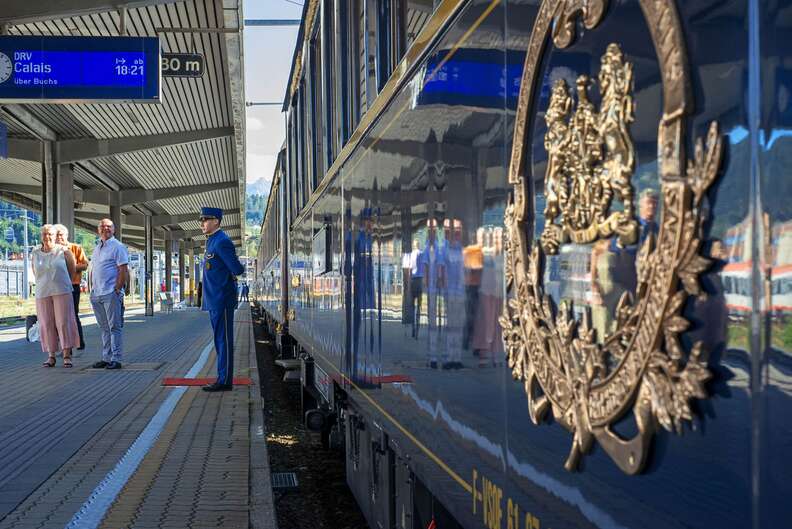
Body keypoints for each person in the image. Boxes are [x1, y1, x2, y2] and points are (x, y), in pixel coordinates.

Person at [199, 207, 245, 392]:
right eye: (201, 220)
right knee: (220, 340)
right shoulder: (212, 241)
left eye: (205, 220)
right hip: (213, 299)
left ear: (216, 221)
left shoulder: (222, 241)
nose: (202, 223)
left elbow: (237, 269)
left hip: (221, 298)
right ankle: (222, 376)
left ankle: (225, 380)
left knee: (223, 340)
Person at [32, 225, 80, 367]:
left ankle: (66, 355)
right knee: (46, 323)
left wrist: (63, 282)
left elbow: (72, 270)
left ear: (55, 235)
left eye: (50, 234)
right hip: (42, 292)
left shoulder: (63, 251)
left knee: (63, 322)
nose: (47, 237)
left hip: (62, 291)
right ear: (41, 236)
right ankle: (51, 355)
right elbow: (35, 272)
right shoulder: (35, 252)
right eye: (45, 234)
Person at [89, 218, 129, 370]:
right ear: (98, 229)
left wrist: (117, 289)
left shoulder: (117, 247)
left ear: (114, 229)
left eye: (108, 226)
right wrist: (92, 289)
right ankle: (106, 358)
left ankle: (116, 359)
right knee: (104, 328)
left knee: (114, 327)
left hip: (110, 293)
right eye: (102, 226)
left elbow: (123, 269)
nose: (105, 228)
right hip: (97, 293)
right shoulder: (97, 247)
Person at [54, 224, 89, 350]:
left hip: (72, 285)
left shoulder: (75, 248)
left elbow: (85, 265)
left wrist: (70, 267)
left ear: (66, 235)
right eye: (56, 235)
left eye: (60, 235)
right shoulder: (52, 251)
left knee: (73, 314)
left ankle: (79, 341)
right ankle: (62, 344)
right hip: (56, 287)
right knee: (58, 316)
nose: (58, 238)